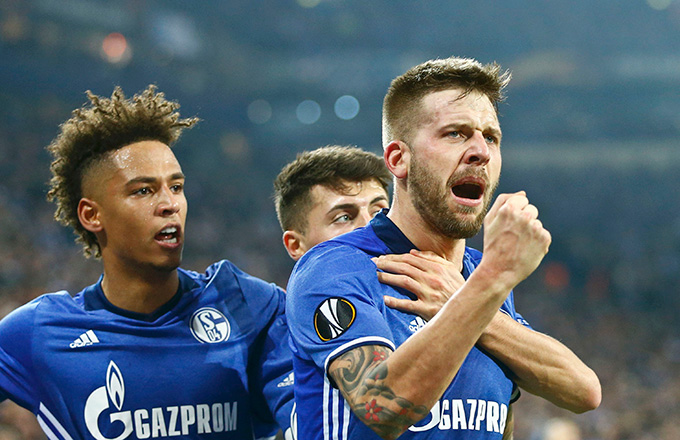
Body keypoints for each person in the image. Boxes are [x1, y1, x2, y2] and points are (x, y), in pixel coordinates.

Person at [284, 56, 601, 440]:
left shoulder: (479, 277)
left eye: (491, 137)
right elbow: (382, 408)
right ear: (399, 159)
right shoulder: (337, 267)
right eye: (455, 134)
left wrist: (468, 298)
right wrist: (485, 286)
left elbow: (583, 392)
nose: (481, 151)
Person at [0, 86, 295, 440]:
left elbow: (319, 409)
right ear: (91, 215)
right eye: (143, 190)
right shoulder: (39, 333)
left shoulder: (246, 303)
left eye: (176, 187)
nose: (170, 204)